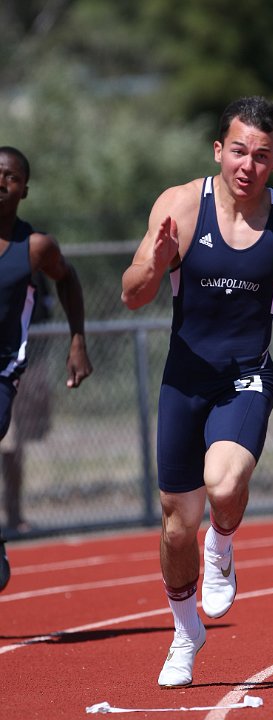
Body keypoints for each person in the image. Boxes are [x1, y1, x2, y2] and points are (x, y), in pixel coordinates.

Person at [121, 96, 273, 687]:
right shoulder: (179, 206)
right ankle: (184, 632)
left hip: (246, 375)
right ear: (220, 150)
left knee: (224, 484)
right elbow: (131, 294)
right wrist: (156, 263)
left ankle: (222, 544)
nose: (249, 165)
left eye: (263, 156)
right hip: (184, 379)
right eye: (239, 150)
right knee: (175, 525)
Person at [0, 145, 93, 590]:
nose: (1, 182)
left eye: (11, 176)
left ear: (24, 190)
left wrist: (78, 339)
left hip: (2, 370)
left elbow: (68, 278)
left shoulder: (35, 248)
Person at [1, 270, 53, 535]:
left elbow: (46, 311)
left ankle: (14, 514)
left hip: (16, 370)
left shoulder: (28, 257)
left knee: (13, 447)